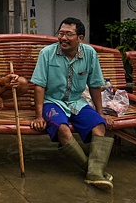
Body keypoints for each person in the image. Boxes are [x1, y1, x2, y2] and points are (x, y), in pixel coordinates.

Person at [29, 17, 114, 190]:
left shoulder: (90, 54)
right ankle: (93, 172)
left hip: (77, 102)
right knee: (62, 128)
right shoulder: (47, 53)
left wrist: (100, 112)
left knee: (99, 126)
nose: (63, 38)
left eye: (69, 34)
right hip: (51, 102)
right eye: (60, 33)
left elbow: (95, 85)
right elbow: (39, 86)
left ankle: (94, 173)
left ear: (80, 38)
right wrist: (39, 116)